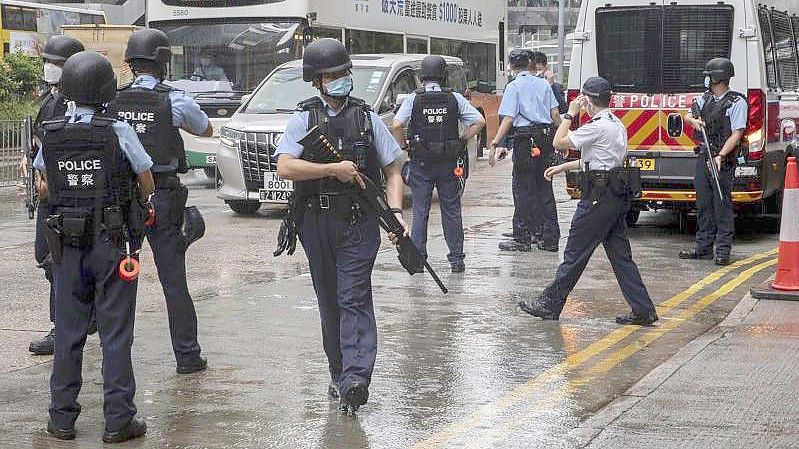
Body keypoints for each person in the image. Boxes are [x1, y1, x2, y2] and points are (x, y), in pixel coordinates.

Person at [274, 38, 406, 415]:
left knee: (354, 297)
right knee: (330, 302)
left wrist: (396, 213)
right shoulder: (305, 118)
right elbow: (286, 166)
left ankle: (356, 378)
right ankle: (339, 373)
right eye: (333, 75)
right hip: (315, 221)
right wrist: (332, 169)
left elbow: (394, 169)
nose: (341, 80)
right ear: (317, 81)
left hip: (358, 223)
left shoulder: (366, 117)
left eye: (345, 73)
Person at [34, 51, 154, 442]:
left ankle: (61, 419)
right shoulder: (118, 130)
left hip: (67, 244)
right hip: (113, 242)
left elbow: (44, 186)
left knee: (68, 332)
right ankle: (119, 421)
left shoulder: (51, 131)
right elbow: (146, 180)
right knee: (116, 334)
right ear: (106, 90)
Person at [108, 29, 213, 374]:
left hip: (124, 199)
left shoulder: (114, 99)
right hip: (163, 197)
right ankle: (187, 355)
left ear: (130, 64)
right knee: (173, 281)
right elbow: (205, 129)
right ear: (163, 63)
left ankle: (117, 358)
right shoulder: (175, 100)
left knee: (122, 279)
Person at [518, 77, 658, 326]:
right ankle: (643, 309)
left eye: (583, 99)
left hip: (598, 197)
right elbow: (595, 160)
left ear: (590, 102)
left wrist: (570, 115)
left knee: (575, 252)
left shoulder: (597, 126)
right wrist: (562, 167)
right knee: (620, 256)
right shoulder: (616, 124)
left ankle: (549, 303)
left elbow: (558, 141)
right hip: (613, 195)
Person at [391, 55, 485, 273]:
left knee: (420, 211)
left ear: (422, 76)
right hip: (448, 163)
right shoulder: (454, 98)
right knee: (451, 211)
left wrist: (404, 145)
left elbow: (397, 124)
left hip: (421, 164)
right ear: (443, 76)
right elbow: (479, 122)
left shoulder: (414, 99)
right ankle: (456, 260)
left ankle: (418, 261)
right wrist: (462, 140)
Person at [26, 35, 86, 356]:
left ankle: (62, 325)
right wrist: (29, 159)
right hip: (47, 194)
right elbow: (40, 140)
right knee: (48, 258)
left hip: (67, 193)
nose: (51, 69)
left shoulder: (80, 102)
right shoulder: (51, 100)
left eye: (58, 64)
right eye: (48, 62)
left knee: (59, 259)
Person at [490, 49, 562, 252]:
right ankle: (548, 238)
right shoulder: (544, 85)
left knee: (523, 189)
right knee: (544, 188)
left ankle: (522, 237)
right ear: (530, 63)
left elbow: (509, 118)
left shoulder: (514, 87)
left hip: (524, 140)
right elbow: (555, 114)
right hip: (545, 138)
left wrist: (495, 142)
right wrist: (562, 137)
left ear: (512, 66)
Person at [679, 58, 746, 266]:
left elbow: (737, 133)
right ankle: (703, 248)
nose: (706, 80)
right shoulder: (705, 99)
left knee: (721, 205)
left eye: (708, 76)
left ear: (717, 78)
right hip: (704, 155)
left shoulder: (737, 102)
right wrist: (693, 121)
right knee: (703, 204)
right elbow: (687, 115)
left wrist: (721, 156)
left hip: (722, 160)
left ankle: (723, 250)